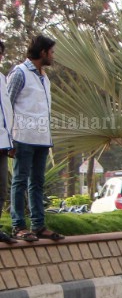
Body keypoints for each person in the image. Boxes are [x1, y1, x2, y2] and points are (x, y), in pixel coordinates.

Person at [8, 35, 62, 242]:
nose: (53, 56)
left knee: (37, 183)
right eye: (52, 52)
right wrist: (9, 139)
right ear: (43, 52)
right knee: (20, 181)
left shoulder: (44, 76)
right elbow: (7, 104)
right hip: (22, 137)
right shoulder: (19, 73)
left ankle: (38, 225)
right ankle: (18, 226)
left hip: (41, 138)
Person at [0, 40, 15, 244]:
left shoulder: (3, 78)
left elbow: (6, 113)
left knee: (1, 187)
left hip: (2, 144)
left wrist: (11, 143)